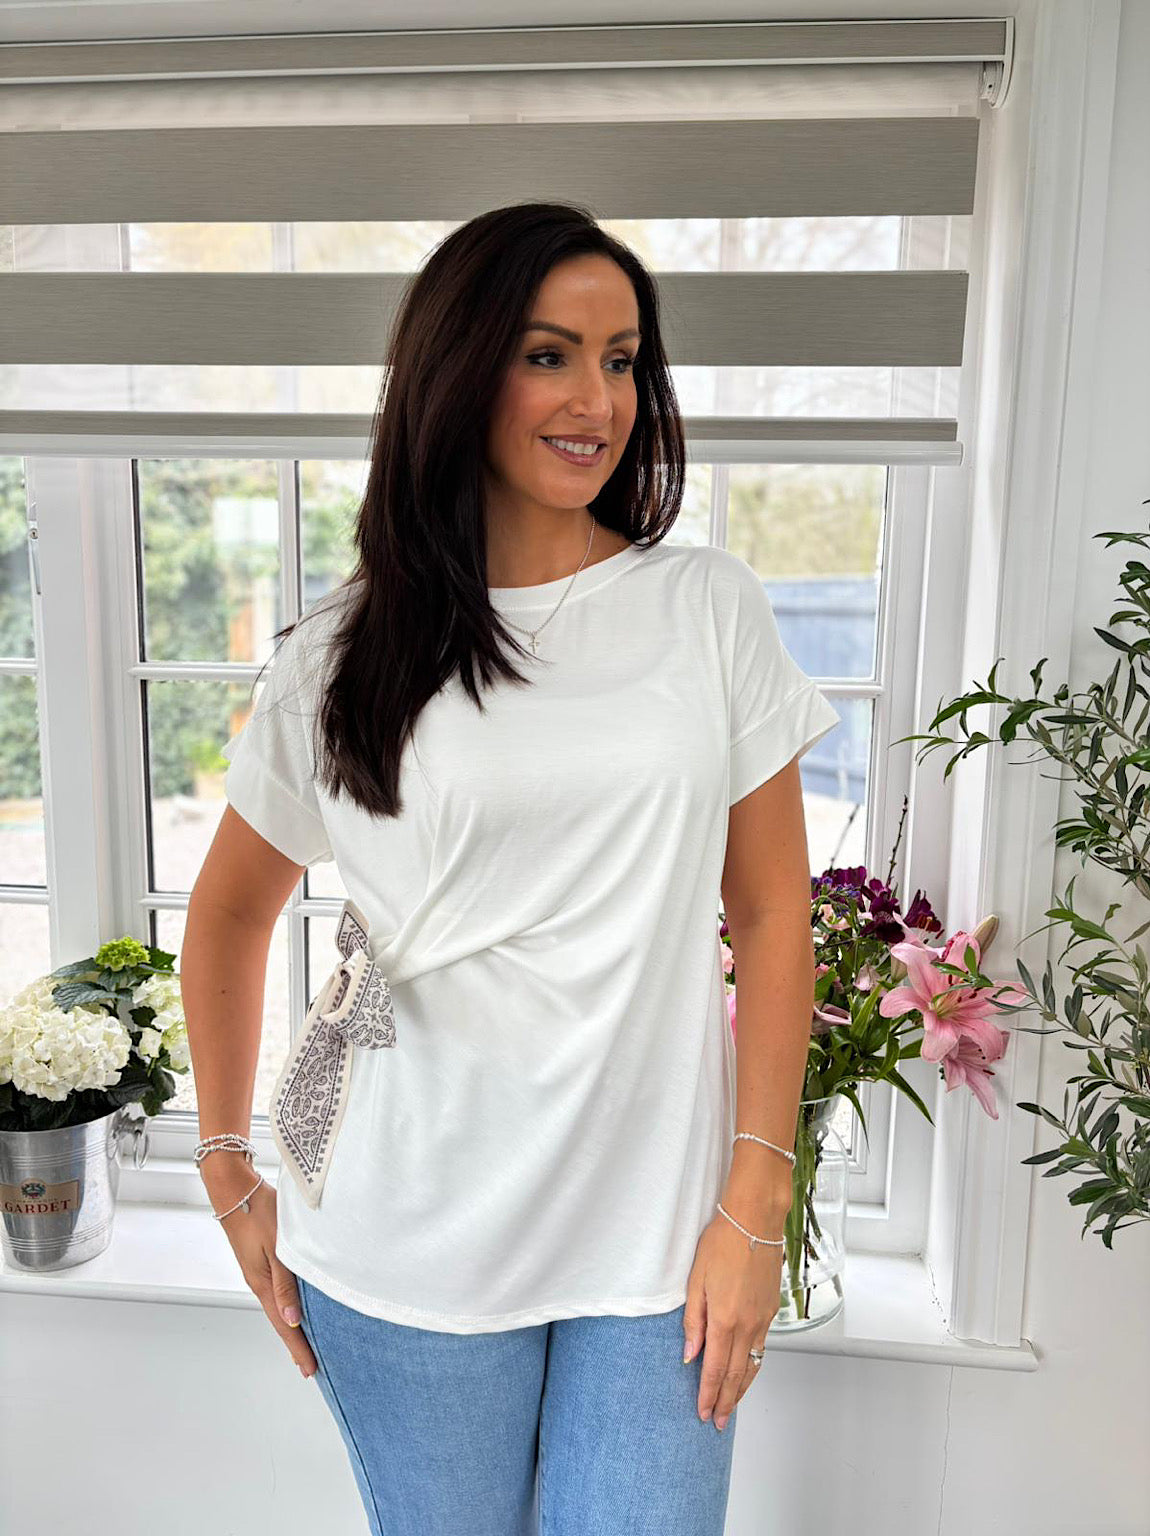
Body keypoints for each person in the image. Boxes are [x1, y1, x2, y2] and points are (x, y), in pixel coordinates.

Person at [182, 201, 839, 1536]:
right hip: (405, 1245)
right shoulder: (339, 656)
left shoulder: (706, 610)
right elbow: (232, 912)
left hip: (659, 1241)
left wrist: (757, 1195)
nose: (598, 399)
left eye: (623, 360)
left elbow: (775, 912)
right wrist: (224, 1162)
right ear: (461, 368)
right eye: (550, 355)